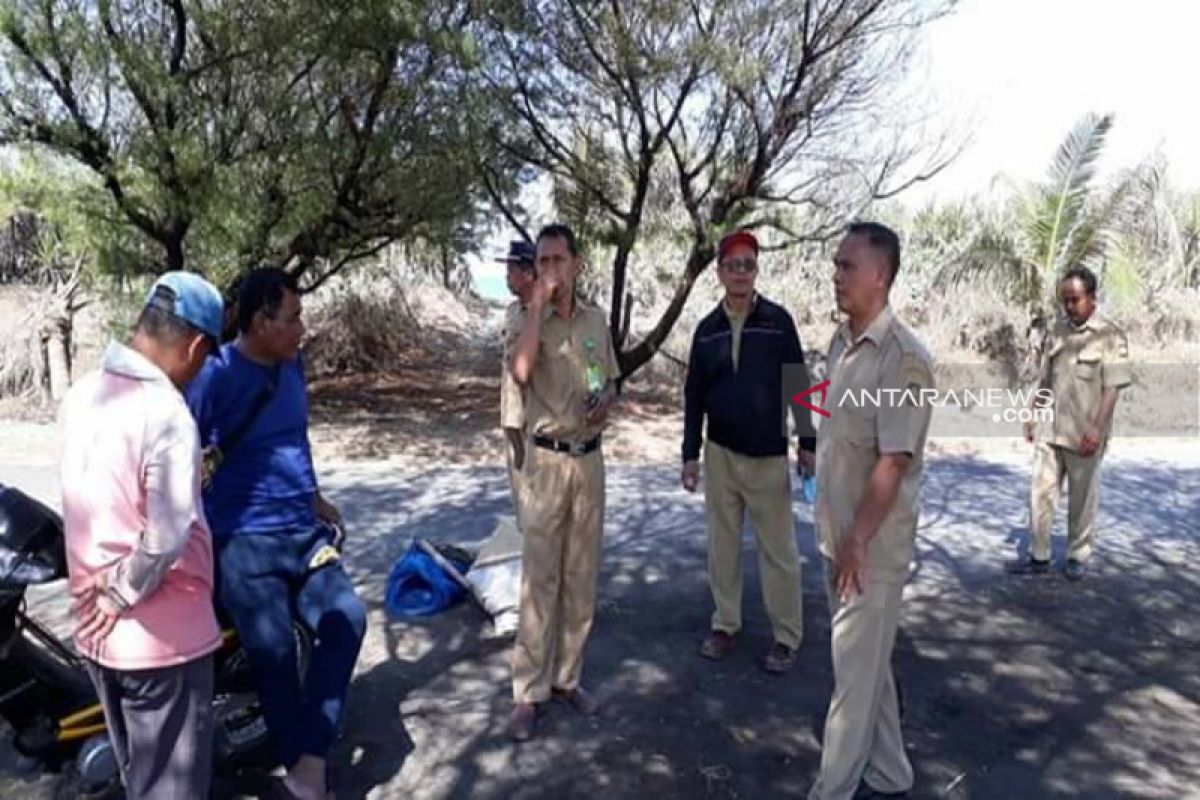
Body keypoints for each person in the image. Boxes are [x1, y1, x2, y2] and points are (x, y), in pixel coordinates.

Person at [186, 267, 367, 800]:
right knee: (274, 652)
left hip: (303, 535)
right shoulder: (215, 375)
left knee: (347, 620)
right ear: (261, 322)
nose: (302, 328)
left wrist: (316, 500)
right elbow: (179, 456)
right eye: (293, 319)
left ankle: (307, 757)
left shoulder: (293, 365)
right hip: (242, 542)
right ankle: (304, 774)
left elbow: (293, 442)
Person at [59, 271, 224, 800]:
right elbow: (166, 536)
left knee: (141, 778)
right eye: (205, 358)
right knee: (169, 788)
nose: (200, 371)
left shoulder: (82, 394)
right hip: (162, 644)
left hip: (98, 635)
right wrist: (121, 592)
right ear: (195, 345)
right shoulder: (167, 414)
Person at [808, 223, 934, 800]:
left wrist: (857, 541)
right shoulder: (841, 344)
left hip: (871, 550)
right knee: (868, 669)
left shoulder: (903, 360)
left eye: (846, 266)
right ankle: (890, 772)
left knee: (851, 685)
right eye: (835, 265)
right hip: (841, 539)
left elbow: (892, 462)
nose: (836, 275)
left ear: (879, 276)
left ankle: (830, 789)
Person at [681, 228, 817, 674]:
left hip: (768, 455)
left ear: (756, 271)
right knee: (722, 547)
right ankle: (726, 624)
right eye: (733, 264)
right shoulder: (706, 331)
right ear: (719, 272)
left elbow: (798, 382)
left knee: (778, 549)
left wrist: (807, 443)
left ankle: (786, 636)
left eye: (748, 265)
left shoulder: (778, 322)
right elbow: (694, 394)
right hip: (719, 453)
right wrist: (690, 455)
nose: (741, 272)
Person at [505, 223, 620, 742]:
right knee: (540, 579)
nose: (551, 270)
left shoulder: (595, 319)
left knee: (581, 576)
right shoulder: (529, 320)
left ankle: (567, 679)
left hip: (589, 460)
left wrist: (606, 399)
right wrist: (535, 307)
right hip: (547, 461)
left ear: (576, 263)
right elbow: (523, 371)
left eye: (558, 260)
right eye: (542, 260)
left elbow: (606, 377)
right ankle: (528, 692)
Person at [1006, 266, 1131, 581]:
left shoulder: (1110, 335)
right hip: (1052, 428)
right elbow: (1047, 377)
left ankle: (1078, 553)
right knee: (1041, 491)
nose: (1069, 306)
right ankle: (1039, 555)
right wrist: (1033, 410)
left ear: (1092, 298)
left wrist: (1096, 428)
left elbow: (1113, 387)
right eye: (1064, 300)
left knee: (1082, 496)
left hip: (1084, 431)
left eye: (1075, 299)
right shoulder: (1058, 330)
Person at [498, 239, 537, 527]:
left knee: (536, 494)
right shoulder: (512, 312)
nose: (506, 276)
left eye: (511, 269)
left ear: (528, 273)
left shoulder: (542, 315)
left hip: (533, 415)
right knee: (518, 488)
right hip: (511, 415)